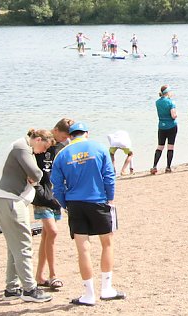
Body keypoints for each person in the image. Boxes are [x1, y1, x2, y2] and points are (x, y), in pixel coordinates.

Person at [51, 122, 124, 306]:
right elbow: (109, 175)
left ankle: (89, 294)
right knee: (107, 243)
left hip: (75, 203)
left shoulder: (62, 154)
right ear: (86, 133)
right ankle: (106, 289)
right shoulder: (98, 147)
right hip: (98, 200)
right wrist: (110, 198)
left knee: (82, 249)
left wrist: (64, 204)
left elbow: (57, 185)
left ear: (70, 135)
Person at [0, 128, 55, 303]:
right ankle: (29, 289)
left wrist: (33, 177)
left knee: (14, 246)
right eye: (45, 147)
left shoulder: (22, 147)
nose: (44, 151)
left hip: (5, 199)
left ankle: (12, 288)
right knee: (23, 246)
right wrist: (36, 176)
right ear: (38, 139)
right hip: (11, 200)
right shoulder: (22, 147)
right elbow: (36, 173)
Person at [33, 118, 71, 291]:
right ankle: (53, 275)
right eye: (63, 136)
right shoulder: (41, 145)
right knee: (53, 233)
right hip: (42, 196)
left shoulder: (62, 148)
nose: (65, 140)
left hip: (55, 197)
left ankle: (40, 276)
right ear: (55, 130)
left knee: (46, 237)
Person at [152, 85, 177, 174]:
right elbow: (173, 115)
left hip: (161, 126)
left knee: (160, 146)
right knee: (170, 147)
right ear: (168, 92)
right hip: (171, 126)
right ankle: (168, 167)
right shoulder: (171, 102)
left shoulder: (157, 102)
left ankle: (154, 166)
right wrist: (176, 115)